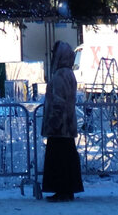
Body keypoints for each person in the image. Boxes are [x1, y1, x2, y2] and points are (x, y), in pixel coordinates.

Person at [40, 40, 84, 203]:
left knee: (58, 160)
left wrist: (54, 122)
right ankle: (67, 190)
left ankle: (62, 190)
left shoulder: (60, 75)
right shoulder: (69, 73)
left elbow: (58, 102)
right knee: (67, 158)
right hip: (67, 126)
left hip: (60, 127)